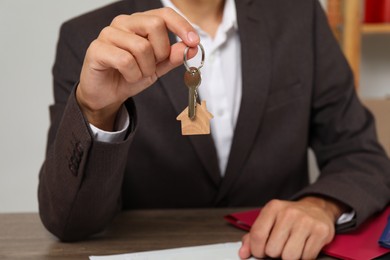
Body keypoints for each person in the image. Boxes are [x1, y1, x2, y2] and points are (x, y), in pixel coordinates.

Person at [38, 0, 390, 259]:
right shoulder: (90, 38)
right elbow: (68, 223)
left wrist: (321, 205)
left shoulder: (300, 16)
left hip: (276, 252)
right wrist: (97, 111)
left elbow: (360, 153)